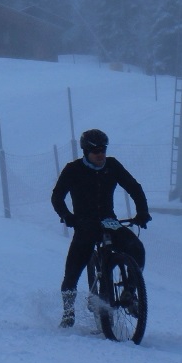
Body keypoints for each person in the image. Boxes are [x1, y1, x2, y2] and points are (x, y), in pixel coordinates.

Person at [50, 128, 151, 328]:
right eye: (95, 150)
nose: (100, 154)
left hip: (109, 222)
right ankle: (68, 314)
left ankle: (129, 292)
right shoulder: (73, 169)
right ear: (86, 151)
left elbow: (134, 188)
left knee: (136, 248)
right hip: (85, 225)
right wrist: (68, 217)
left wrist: (142, 213)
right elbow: (57, 197)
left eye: (103, 150)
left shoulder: (112, 166)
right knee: (72, 273)